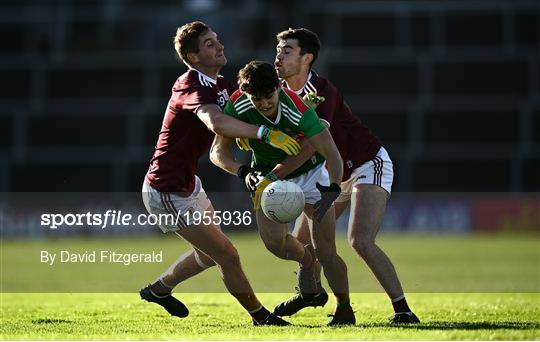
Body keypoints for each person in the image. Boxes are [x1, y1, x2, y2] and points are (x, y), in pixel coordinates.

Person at [140, 21, 300, 326]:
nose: (220, 45)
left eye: (217, 40)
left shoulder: (224, 86)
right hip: (166, 190)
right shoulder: (190, 85)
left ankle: (160, 289)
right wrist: (264, 134)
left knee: (210, 253)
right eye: (210, 43)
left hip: (189, 185)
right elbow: (217, 124)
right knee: (227, 254)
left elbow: (256, 105)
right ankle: (261, 317)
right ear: (193, 57)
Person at [271, 28, 420, 324]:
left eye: (287, 51)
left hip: (366, 163)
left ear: (307, 58)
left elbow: (311, 143)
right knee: (303, 243)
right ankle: (309, 293)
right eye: (278, 51)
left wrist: (273, 174)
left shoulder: (322, 92)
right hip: (329, 173)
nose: (278, 57)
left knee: (359, 240)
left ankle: (403, 310)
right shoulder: (276, 93)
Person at [209, 60, 356, 326]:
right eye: (257, 99)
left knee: (328, 251)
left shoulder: (299, 110)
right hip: (266, 177)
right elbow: (216, 153)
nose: (263, 103)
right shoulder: (238, 104)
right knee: (274, 244)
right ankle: (308, 263)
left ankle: (344, 309)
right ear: (245, 94)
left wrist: (332, 189)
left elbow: (332, 154)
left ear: (278, 87)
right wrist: (243, 172)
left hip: (311, 176)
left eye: (268, 96)